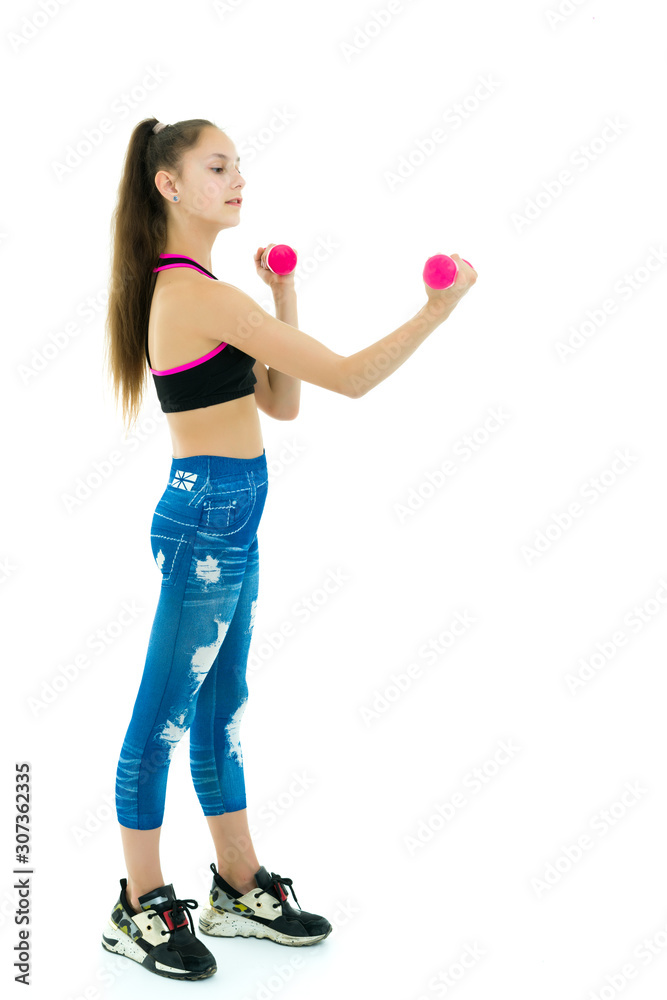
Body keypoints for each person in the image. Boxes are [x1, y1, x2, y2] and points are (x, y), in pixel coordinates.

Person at [100, 116, 477, 982]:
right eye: (218, 167)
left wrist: (284, 294)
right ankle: (139, 905)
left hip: (230, 517)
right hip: (205, 524)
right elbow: (343, 379)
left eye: (240, 166)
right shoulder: (195, 295)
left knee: (220, 705)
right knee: (162, 716)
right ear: (169, 185)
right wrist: (437, 308)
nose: (239, 180)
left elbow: (283, 405)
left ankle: (235, 886)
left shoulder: (207, 289)